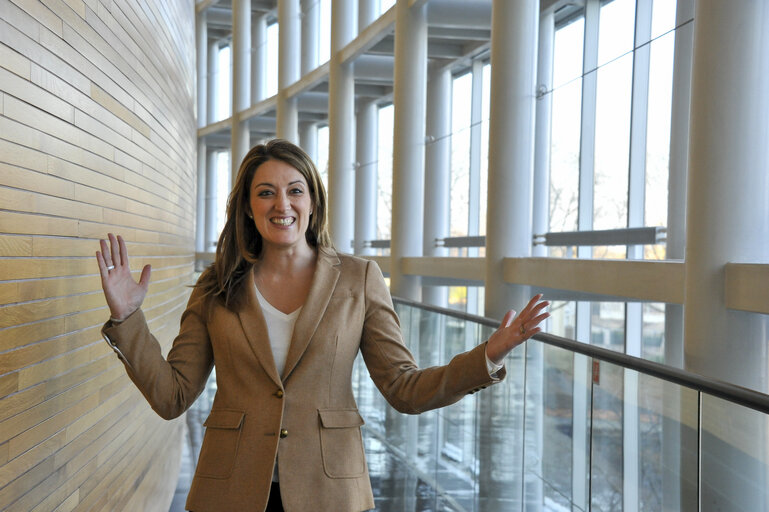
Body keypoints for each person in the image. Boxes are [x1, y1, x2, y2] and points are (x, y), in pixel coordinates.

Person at [96, 139, 549, 512]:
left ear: (313, 202)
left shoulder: (359, 278)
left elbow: (404, 388)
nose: (282, 204)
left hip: (331, 491)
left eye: (295, 190)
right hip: (230, 490)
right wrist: (126, 317)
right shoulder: (217, 284)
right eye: (265, 192)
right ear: (248, 208)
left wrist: (488, 355)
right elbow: (172, 396)